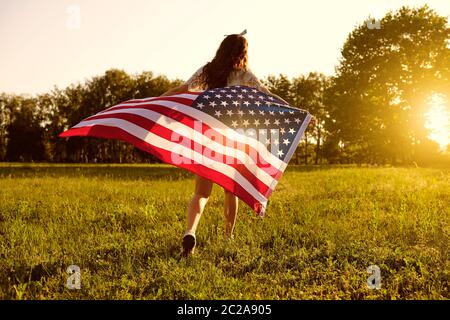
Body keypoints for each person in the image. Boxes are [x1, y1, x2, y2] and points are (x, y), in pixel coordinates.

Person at [161, 31, 293, 257]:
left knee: (201, 193)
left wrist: (157, 101)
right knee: (230, 192)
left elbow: (182, 90)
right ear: (242, 53)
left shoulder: (207, 71)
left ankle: (190, 231)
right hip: (232, 138)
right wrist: (293, 111)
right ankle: (228, 236)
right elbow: (266, 95)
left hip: (207, 137)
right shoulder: (245, 75)